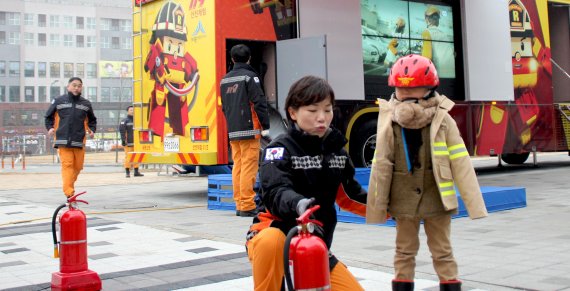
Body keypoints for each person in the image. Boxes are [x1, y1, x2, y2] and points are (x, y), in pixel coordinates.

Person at [366, 55, 488, 291]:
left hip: (436, 197)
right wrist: (377, 204)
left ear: (430, 89)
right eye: (401, 89)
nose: (406, 94)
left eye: (414, 88)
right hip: (402, 199)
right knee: (403, 250)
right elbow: (381, 164)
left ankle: (450, 285)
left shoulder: (443, 120)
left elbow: (461, 161)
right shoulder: (389, 119)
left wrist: (475, 203)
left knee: (442, 250)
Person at [245, 75, 367, 291]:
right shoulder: (278, 149)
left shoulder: (337, 152)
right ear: (293, 113)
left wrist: (393, 208)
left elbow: (350, 196)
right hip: (274, 234)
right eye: (312, 111)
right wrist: (298, 203)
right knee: (271, 240)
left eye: (327, 110)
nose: (322, 117)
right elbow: (275, 191)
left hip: (313, 246)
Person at [220, 44, 270, 217]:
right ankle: (247, 205)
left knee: (238, 166)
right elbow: (259, 102)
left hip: (233, 130)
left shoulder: (225, 80)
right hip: (250, 129)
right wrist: (266, 125)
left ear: (232, 59)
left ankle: (240, 203)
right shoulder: (250, 77)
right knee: (249, 166)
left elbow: (224, 108)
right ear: (249, 58)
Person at [45, 77, 97, 198]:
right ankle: (69, 193)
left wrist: (92, 130)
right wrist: (50, 128)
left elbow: (92, 120)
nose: (76, 88)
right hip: (63, 140)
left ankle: (69, 186)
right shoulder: (59, 101)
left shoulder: (86, 104)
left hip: (79, 141)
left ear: (81, 88)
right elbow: (48, 116)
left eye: (79, 86)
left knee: (78, 167)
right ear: (68, 86)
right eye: (74, 85)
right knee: (67, 165)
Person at [421, 5, 455, 78]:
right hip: (452, 74)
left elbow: (427, 58)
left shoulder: (427, 33)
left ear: (426, 19)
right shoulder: (444, 35)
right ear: (438, 20)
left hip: (439, 76)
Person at [119, 105, 143, 178]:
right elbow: (122, 131)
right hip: (128, 143)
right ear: (128, 111)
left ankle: (136, 171)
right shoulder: (124, 121)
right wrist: (123, 140)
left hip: (137, 143)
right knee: (128, 157)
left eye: (133, 110)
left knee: (137, 156)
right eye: (131, 110)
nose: (132, 111)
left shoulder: (138, 120)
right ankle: (127, 172)